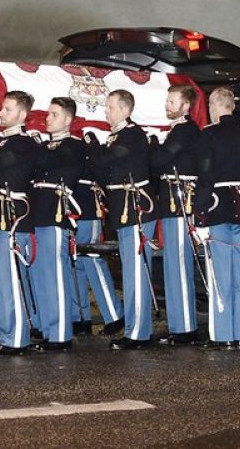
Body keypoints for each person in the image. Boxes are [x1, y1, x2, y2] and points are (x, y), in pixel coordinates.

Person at [85, 89, 156, 350]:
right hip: (123, 208)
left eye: (111, 107)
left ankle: (138, 333)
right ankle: (134, 327)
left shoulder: (133, 135)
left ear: (125, 110)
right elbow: (102, 171)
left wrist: (92, 146)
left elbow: (106, 161)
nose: (107, 111)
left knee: (136, 271)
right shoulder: (116, 137)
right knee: (130, 270)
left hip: (136, 208)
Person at [194, 87, 240, 350]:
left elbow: (206, 178)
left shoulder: (209, 135)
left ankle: (222, 336)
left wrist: (199, 216)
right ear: (231, 106)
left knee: (220, 277)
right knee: (239, 278)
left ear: (213, 105)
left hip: (217, 208)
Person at [0, 91, 41, 356]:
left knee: (8, 279)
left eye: (7, 109)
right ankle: (5, 333)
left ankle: (17, 338)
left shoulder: (23, 143)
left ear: (22, 115)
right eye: (2, 108)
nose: (1, 113)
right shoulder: (4, 142)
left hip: (8, 215)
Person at [28, 97, 86, 351]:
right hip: (38, 212)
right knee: (40, 275)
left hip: (55, 211)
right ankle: (48, 329)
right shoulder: (46, 145)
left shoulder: (73, 145)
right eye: (48, 113)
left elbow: (47, 162)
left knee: (55, 275)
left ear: (68, 119)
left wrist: (33, 145)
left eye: (53, 114)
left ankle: (61, 333)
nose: (47, 118)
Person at [151, 84, 201, 345]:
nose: (167, 105)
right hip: (171, 203)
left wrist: (150, 144)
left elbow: (161, 159)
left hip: (180, 203)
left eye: (172, 101)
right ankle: (178, 325)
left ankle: (185, 329)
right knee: (173, 264)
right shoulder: (178, 130)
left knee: (179, 265)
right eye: (167, 100)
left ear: (185, 106)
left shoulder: (184, 131)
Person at [70, 163, 125, 337]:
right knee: (74, 265)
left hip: (87, 208)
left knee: (93, 262)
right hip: (68, 209)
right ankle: (80, 318)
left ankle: (114, 315)